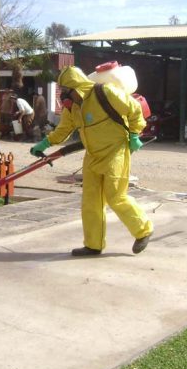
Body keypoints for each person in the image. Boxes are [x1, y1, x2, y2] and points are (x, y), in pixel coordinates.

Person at [29, 65, 153, 256]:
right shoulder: (73, 108)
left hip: (115, 152)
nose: (64, 96)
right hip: (93, 155)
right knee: (91, 202)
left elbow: (134, 109)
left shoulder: (105, 92)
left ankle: (144, 230)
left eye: (65, 91)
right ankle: (93, 244)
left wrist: (135, 135)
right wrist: (45, 144)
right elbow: (64, 129)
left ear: (76, 87)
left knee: (116, 197)